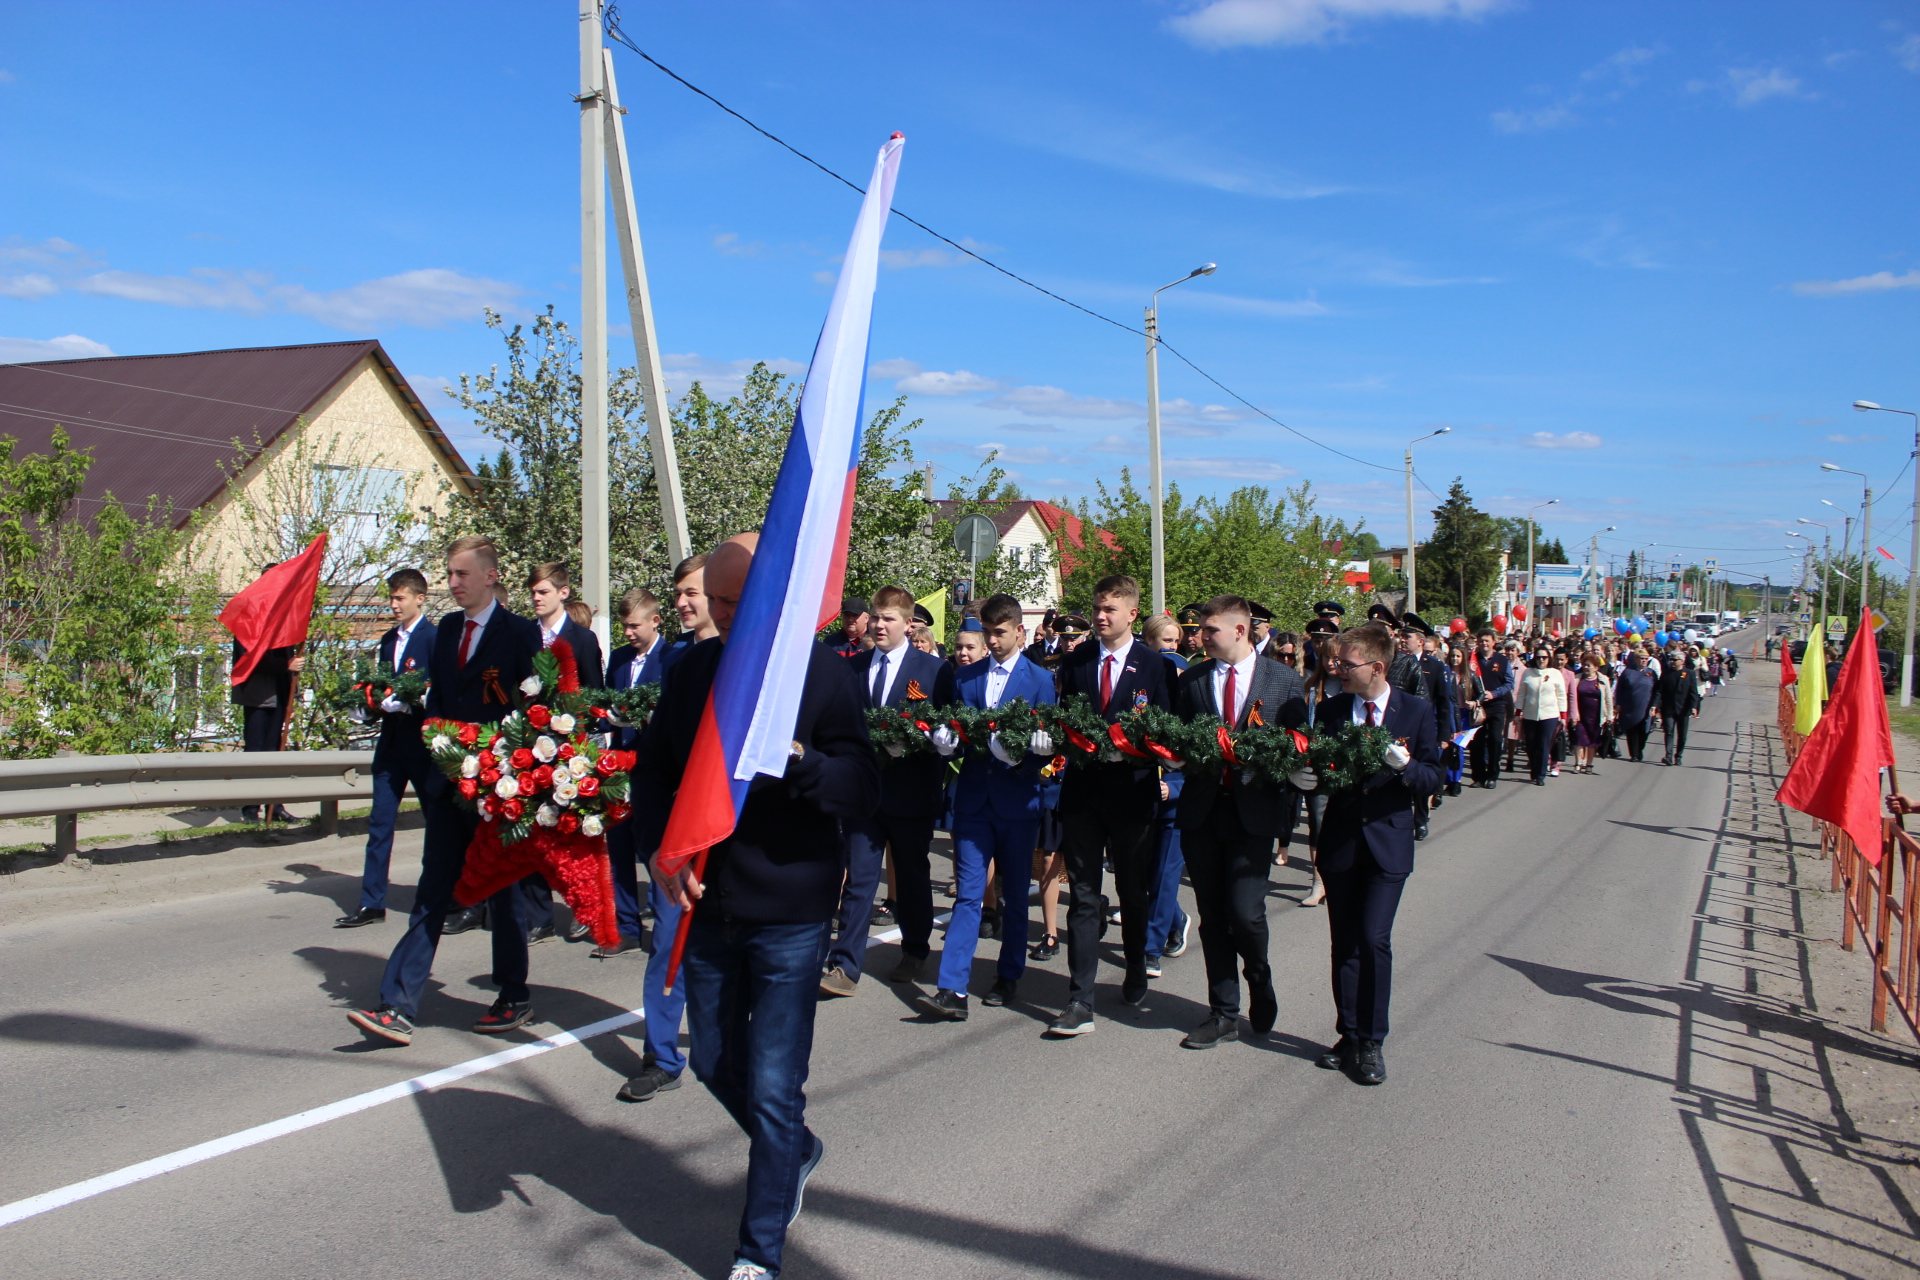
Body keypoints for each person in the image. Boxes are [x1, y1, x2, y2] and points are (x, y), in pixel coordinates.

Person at [638, 535, 878, 1280]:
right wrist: (657, 851)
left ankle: (758, 1251)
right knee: (711, 1060)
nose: (720, 614)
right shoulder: (692, 672)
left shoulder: (820, 675)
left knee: (776, 1086)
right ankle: (795, 1151)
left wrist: (803, 762)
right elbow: (653, 774)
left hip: (790, 907)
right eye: (714, 600)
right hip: (711, 905)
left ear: (775, 596)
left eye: (736, 602)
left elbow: (858, 781)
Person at [346, 535, 544, 1046]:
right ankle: (398, 1004)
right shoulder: (448, 629)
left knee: (503, 894)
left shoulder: (521, 634)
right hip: (449, 784)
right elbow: (437, 702)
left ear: (489, 576)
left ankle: (513, 992)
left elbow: (536, 708)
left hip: (499, 788)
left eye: (461, 574)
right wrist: (438, 753)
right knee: (434, 891)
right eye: (449, 574)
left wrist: (514, 769)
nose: (452, 584)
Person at [1303, 623, 1443, 1086]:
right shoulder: (1333, 710)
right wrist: (1305, 779)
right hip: (1342, 841)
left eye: (1346, 663)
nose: (1336, 669)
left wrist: (1405, 767)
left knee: (1372, 938)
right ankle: (1348, 1033)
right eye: (1336, 662)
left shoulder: (1415, 711)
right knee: (1344, 941)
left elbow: (1433, 778)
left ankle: (1372, 1042)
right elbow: (1320, 767)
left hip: (1387, 842)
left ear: (1376, 667)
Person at [1171, 595, 1307, 1049]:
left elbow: (1297, 743)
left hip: (1254, 813)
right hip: (1203, 812)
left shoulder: (1285, 681)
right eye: (1199, 630)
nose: (1199, 637)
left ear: (1239, 631)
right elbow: (1179, 740)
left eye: (1209, 630)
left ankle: (1259, 978)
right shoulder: (1191, 681)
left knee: (1246, 914)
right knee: (1212, 916)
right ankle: (1223, 1011)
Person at [916, 593, 1056, 1017]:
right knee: (969, 894)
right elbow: (952, 725)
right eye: (987, 632)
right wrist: (945, 743)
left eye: (999, 633)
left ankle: (1009, 974)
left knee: (1014, 893)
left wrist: (1028, 754)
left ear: (1019, 631)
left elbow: (1048, 743)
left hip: (1017, 801)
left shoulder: (1040, 680)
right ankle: (952, 988)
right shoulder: (965, 677)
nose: (992, 641)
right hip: (974, 800)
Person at [1049, 574, 1172, 1035]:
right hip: (1083, 794)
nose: (1100, 617)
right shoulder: (1077, 659)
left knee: (1132, 892)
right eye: (1097, 609)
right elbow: (1067, 717)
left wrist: (1138, 750)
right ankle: (1079, 998)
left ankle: (1136, 964)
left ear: (1132, 615)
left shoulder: (1155, 666)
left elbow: (1166, 731)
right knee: (1082, 895)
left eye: (1109, 611)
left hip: (1132, 794)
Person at [825, 586, 957, 997]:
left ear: (908, 623)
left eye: (889, 619)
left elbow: (949, 728)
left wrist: (932, 739)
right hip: (864, 794)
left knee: (914, 876)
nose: (880, 626)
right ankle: (845, 964)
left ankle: (915, 949)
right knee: (860, 879)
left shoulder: (933, 670)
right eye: (877, 618)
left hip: (912, 792)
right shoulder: (855, 665)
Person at [336, 568, 436, 929]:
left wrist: (414, 703)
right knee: (379, 822)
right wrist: (366, 706)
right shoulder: (388, 640)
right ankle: (371, 901)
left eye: (400, 598)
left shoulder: (433, 638)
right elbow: (379, 688)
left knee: (436, 823)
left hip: (423, 746)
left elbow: (439, 692)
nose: (393, 604)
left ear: (419, 599)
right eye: (391, 598)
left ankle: (437, 896)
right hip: (391, 744)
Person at [521, 562, 607, 944]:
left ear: (562, 593)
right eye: (533, 593)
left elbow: (594, 693)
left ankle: (584, 908)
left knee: (574, 833)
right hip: (531, 746)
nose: (537, 599)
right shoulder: (524, 637)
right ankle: (537, 917)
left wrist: (586, 742)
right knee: (534, 832)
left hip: (571, 748)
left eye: (543, 592)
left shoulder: (581, 640)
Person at [599, 588, 667, 961]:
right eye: (623, 626)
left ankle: (662, 923)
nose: (627, 633)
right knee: (618, 846)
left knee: (651, 847)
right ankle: (625, 926)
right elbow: (610, 699)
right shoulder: (621, 659)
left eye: (633, 625)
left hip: (651, 764)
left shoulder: (669, 658)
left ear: (655, 621)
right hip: (619, 761)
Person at [232, 561, 305, 823]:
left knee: (276, 753)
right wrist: (286, 665)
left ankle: (275, 805)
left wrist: (293, 696)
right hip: (256, 695)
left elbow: (287, 659)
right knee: (256, 752)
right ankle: (251, 808)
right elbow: (249, 658)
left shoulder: (285, 618)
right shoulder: (248, 617)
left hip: (279, 696)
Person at [1469, 629, 1515, 789]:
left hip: (1496, 706)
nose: (1484, 644)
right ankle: (1478, 776)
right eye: (1481, 641)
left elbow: (1509, 683)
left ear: (1493, 642)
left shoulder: (1502, 660)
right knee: (1477, 742)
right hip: (1478, 707)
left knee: (1495, 740)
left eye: (1487, 641)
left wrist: (1493, 694)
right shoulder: (1472, 660)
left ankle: (1492, 775)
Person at [1518, 646, 1567, 787]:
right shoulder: (1528, 672)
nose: (1541, 660)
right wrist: (1518, 712)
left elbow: (1561, 696)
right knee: (1531, 744)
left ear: (1549, 659)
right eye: (1539, 657)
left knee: (1543, 744)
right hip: (1530, 714)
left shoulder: (1555, 673)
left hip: (1549, 715)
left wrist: (1563, 715)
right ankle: (1534, 768)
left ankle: (1540, 774)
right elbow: (1522, 693)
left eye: (1544, 657)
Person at [1655, 650, 1702, 765]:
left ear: (1682, 661)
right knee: (1669, 732)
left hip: (1683, 709)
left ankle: (1678, 756)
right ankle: (1668, 756)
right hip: (1669, 708)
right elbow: (1659, 691)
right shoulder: (1666, 673)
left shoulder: (1689, 674)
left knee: (1682, 735)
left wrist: (1694, 707)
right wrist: (1655, 705)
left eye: (1675, 660)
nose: (1672, 662)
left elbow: (1693, 692)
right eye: (1671, 660)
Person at [1570, 659, 1613, 775]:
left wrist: (1610, 716)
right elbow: (1572, 696)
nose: (1585, 667)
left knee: (1593, 740)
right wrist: (1573, 713)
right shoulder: (1577, 678)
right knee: (1579, 739)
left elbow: (1608, 699)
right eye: (1584, 665)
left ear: (1596, 667)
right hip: (1580, 715)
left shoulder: (1603, 680)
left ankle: (1589, 764)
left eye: (1588, 665)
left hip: (1596, 716)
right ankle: (1578, 763)